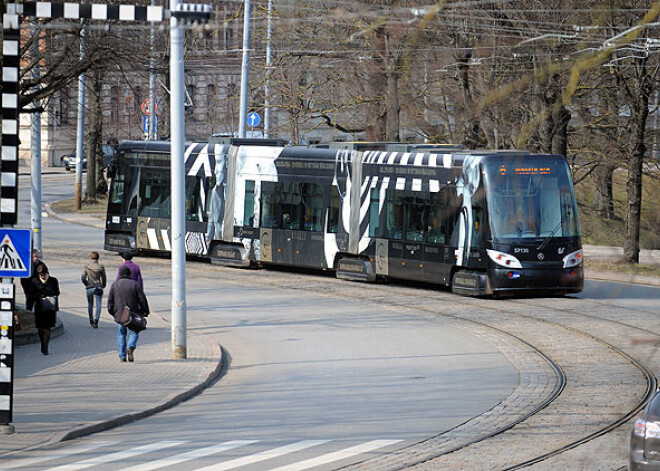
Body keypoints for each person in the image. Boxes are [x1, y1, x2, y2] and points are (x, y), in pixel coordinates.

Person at [107, 266, 150, 362]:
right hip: (132, 314)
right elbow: (142, 299)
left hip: (119, 315)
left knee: (121, 335)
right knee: (134, 332)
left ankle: (122, 357)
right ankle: (130, 346)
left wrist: (112, 312)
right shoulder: (135, 284)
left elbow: (110, 300)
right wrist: (146, 311)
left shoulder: (115, 285)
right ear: (129, 274)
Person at [26, 263, 60, 355]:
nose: (43, 276)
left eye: (44, 274)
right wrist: (29, 307)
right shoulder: (34, 281)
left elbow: (57, 292)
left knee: (47, 327)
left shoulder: (53, 280)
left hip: (50, 307)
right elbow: (31, 295)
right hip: (39, 307)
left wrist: (49, 292)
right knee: (40, 327)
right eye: (41, 275)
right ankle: (42, 343)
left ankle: (46, 346)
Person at [81, 251, 107, 329]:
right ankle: (96, 320)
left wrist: (87, 284)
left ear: (90, 257)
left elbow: (82, 278)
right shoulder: (101, 266)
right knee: (98, 305)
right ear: (98, 258)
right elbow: (104, 278)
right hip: (98, 286)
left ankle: (91, 320)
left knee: (90, 304)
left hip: (90, 287)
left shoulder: (87, 266)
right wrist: (103, 285)